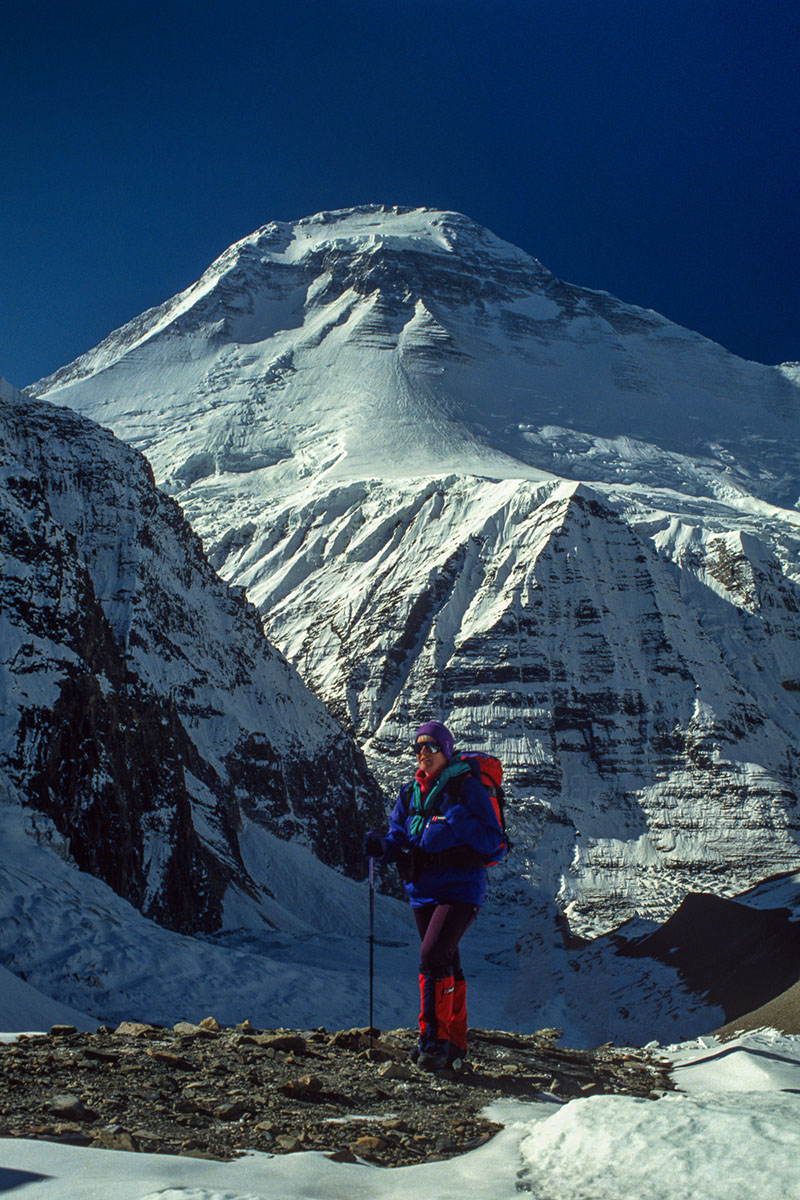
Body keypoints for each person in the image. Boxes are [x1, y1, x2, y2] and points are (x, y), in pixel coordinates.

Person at [364, 720, 506, 1072]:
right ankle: (455, 1043)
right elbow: (400, 838)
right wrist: (381, 848)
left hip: (461, 889)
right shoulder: (411, 793)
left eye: (430, 747)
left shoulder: (467, 789)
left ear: (446, 749)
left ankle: (433, 1043)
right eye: (418, 748)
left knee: (432, 956)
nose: (422, 753)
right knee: (446, 963)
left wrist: (457, 814)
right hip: (423, 892)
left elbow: (494, 842)